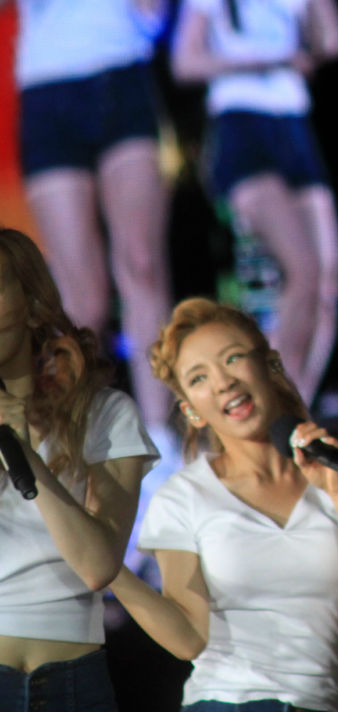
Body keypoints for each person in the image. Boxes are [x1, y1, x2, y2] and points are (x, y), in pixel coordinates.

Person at [105, 297, 338, 712]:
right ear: (192, 411)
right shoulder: (183, 496)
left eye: (233, 358)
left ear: (271, 365)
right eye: (199, 377)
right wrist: (110, 567)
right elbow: (187, 639)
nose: (223, 383)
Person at [0, 0, 174, 451]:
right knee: (82, 299)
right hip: (48, 90)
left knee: (142, 263)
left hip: (122, 76)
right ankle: (88, 441)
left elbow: (153, 12)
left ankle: (160, 434)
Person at [172, 0, 338, 405]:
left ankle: (295, 406)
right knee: (300, 269)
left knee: (324, 282)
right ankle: (270, 406)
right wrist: (265, 59)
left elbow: (330, 41)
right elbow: (185, 60)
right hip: (240, 124)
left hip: (293, 125)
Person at [0, 228, 159, 712]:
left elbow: (97, 566)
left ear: (31, 304)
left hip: (71, 680)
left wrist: (28, 458)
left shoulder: (104, 414)